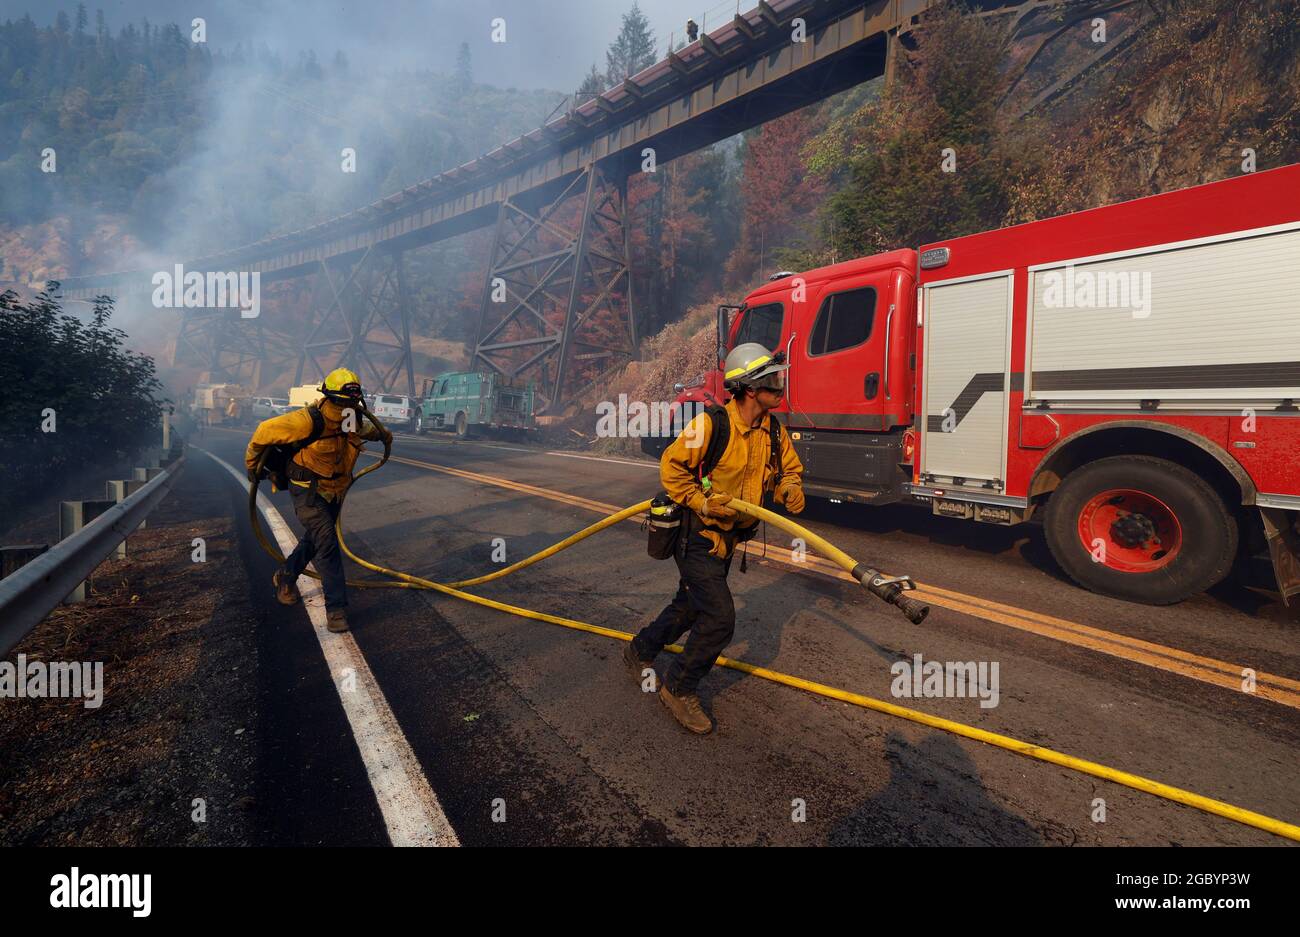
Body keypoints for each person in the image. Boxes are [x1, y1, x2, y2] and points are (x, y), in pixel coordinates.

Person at [626, 343, 805, 733]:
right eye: (771, 381)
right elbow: (672, 467)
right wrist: (701, 503)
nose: (779, 386)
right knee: (720, 619)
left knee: (690, 607)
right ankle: (678, 687)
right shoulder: (710, 425)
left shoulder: (772, 430)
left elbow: (789, 470)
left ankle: (640, 649)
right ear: (748, 388)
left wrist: (790, 486)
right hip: (699, 537)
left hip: (730, 539)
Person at [244, 368, 392, 633]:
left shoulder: (351, 417)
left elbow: (367, 429)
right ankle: (336, 610)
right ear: (330, 397)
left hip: (334, 489)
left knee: (314, 540)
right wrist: (253, 467)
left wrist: (384, 433)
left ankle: (286, 576)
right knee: (328, 546)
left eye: (353, 402)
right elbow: (263, 431)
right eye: (344, 402)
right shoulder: (307, 420)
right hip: (308, 490)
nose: (349, 407)